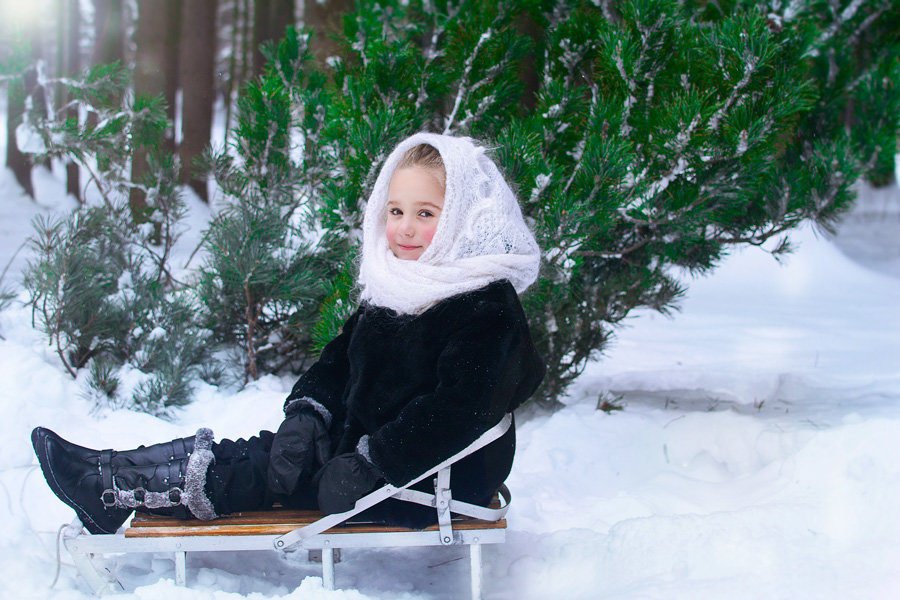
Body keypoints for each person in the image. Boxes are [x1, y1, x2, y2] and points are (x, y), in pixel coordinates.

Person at [31, 132, 546, 535]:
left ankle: (109, 486)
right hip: (360, 454)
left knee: (265, 472)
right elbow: (342, 358)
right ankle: (106, 483)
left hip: (428, 478)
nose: (404, 228)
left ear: (463, 221)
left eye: (426, 214)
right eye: (395, 211)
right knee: (259, 460)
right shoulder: (400, 286)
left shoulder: (485, 305)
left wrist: (378, 464)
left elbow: (462, 407)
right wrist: (309, 411)